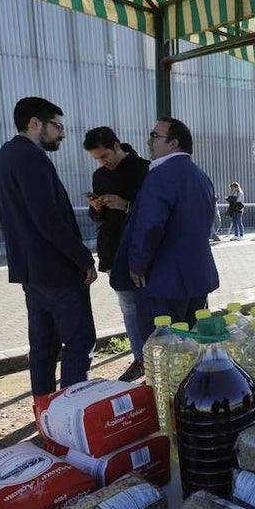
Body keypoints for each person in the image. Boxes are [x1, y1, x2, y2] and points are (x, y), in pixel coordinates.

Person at [0, 97, 97, 397]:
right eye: (58, 126)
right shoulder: (31, 158)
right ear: (35, 123)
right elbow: (47, 219)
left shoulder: (3, 157)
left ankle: (45, 411)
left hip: (30, 271)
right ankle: (72, 416)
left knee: (43, 346)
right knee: (79, 341)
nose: (62, 134)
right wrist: (83, 258)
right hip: (57, 270)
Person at [111, 117, 218, 336]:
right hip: (197, 277)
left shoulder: (160, 175)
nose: (149, 142)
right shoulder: (201, 176)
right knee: (193, 350)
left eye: (154, 136)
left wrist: (137, 264)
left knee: (166, 354)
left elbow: (150, 226)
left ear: (173, 143)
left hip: (165, 280)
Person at [83, 127, 150, 382]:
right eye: (97, 159)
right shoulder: (100, 175)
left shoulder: (145, 169)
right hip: (112, 247)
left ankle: (156, 357)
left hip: (139, 247)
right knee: (128, 306)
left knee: (149, 304)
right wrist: (96, 208)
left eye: (104, 156)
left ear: (117, 146)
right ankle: (140, 358)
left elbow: (155, 210)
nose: (103, 162)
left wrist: (127, 205)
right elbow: (99, 219)